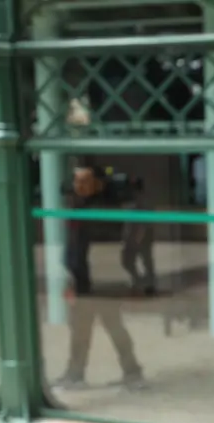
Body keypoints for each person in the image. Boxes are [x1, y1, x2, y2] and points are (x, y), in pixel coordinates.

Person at [53, 165, 147, 391]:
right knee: (82, 329)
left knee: (111, 326)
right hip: (83, 278)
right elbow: (75, 248)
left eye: (85, 181)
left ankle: (131, 373)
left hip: (100, 277)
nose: (79, 186)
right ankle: (78, 374)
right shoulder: (79, 205)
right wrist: (72, 278)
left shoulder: (103, 207)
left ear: (98, 183)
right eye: (76, 181)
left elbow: (99, 246)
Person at [121, 176, 157, 296]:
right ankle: (138, 280)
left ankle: (150, 284)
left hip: (141, 236)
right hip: (130, 235)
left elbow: (145, 222)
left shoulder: (143, 201)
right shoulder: (129, 201)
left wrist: (138, 237)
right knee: (127, 260)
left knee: (146, 260)